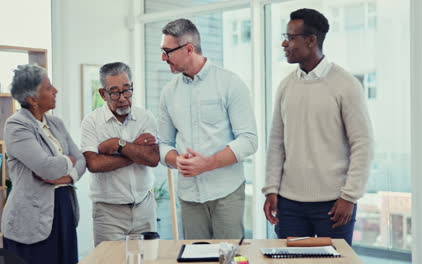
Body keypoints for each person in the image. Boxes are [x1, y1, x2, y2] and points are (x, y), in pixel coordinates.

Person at [262, 8, 374, 245]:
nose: (284, 43)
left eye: (291, 38)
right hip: (289, 204)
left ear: (311, 40)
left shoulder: (346, 85)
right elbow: (276, 142)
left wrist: (350, 196)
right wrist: (271, 188)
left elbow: (362, 144)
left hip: (334, 205)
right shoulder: (285, 86)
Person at [158, 18, 258, 239]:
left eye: (167, 52)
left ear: (189, 49)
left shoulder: (230, 83)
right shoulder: (168, 92)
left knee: (229, 257)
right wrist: (176, 161)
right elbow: (164, 143)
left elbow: (249, 140)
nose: (163, 58)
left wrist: (207, 164)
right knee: (196, 258)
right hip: (189, 196)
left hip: (226, 192)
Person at [2, 64, 86, 264]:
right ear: (32, 99)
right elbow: (46, 167)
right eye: (48, 88)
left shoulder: (56, 123)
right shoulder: (16, 125)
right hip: (30, 220)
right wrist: (69, 160)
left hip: (63, 209)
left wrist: (68, 176)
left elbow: (82, 160)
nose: (55, 90)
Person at [81, 62, 160, 246]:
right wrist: (135, 152)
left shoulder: (145, 117)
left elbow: (153, 158)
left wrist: (119, 144)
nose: (123, 98)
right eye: (115, 92)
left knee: (148, 260)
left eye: (127, 90)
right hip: (108, 214)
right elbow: (94, 164)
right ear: (103, 94)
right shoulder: (91, 122)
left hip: (144, 207)